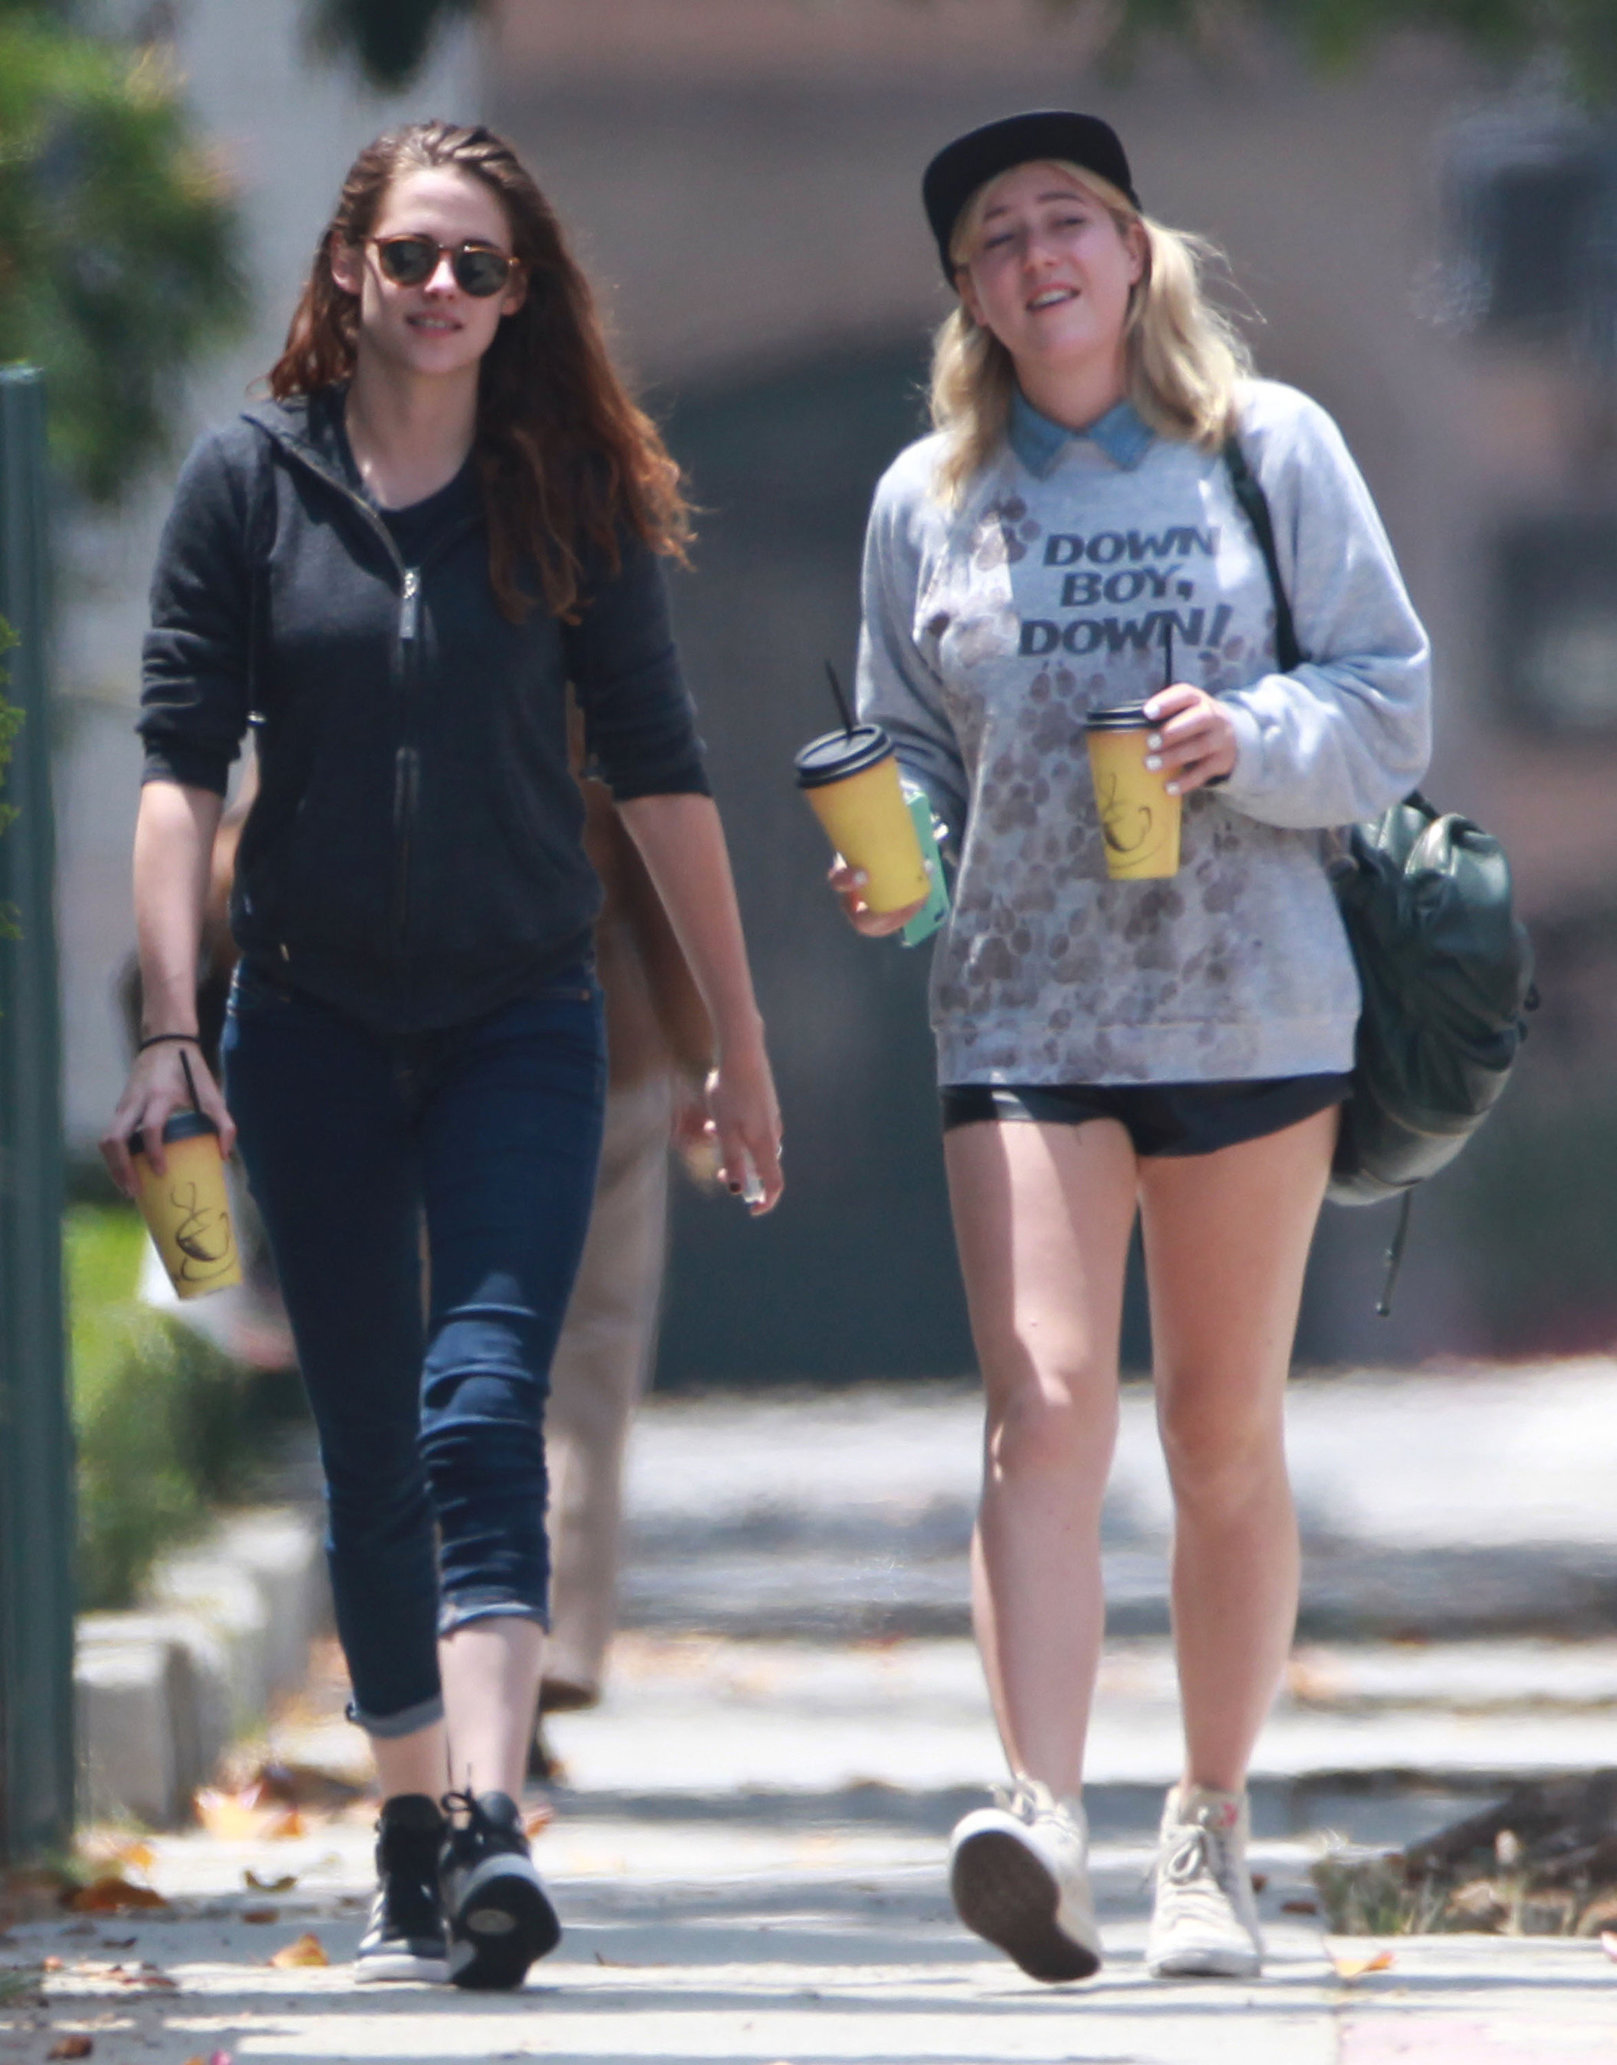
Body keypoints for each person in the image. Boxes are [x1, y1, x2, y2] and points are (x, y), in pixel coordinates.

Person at [102, 118, 782, 1994]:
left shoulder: (570, 495)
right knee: (364, 1445)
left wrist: (735, 1041)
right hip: (305, 1020)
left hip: (519, 1019)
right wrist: (175, 1022)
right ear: (345, 269)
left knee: (484, 1397)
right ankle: (407, 1812)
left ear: (521, 294)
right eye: (410, 255)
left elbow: (660, 775)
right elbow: (178, 766)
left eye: (479, 265)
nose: (440, 291)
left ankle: (487, 1819)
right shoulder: (249, 486)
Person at [835, 111, 1429, 1984]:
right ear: (970, 297)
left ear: (1132, 248)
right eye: (997, 237)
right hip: (1016, 1005)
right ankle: (1042, 1818)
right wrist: (898, 858)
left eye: (1067, 219)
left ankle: (1208, 1830)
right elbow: (902, 736)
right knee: (1043, 1404)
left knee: (1220, 1434)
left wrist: (1238, 741)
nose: (1037, 255)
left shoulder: (1266, 450)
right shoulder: (925, 492)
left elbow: (1384, 703)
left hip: (1249, 1001)